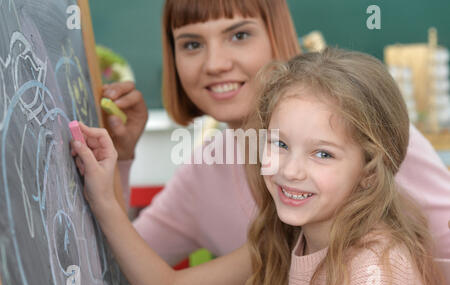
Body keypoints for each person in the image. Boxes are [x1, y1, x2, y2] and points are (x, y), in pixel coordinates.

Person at [71, 48, 448, 285]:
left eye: (322, 153)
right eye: (279, 144)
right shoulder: (297, 236)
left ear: (369, 171)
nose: (290, 170)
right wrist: (103, 197)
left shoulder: (374, 281)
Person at [101, 0, 450, 268]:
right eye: (191, 44)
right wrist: (122, 157)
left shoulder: (363, 128)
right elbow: (117, 268)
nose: (214, 64)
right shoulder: (204, 172)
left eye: (239, 35)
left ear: (276, 36)